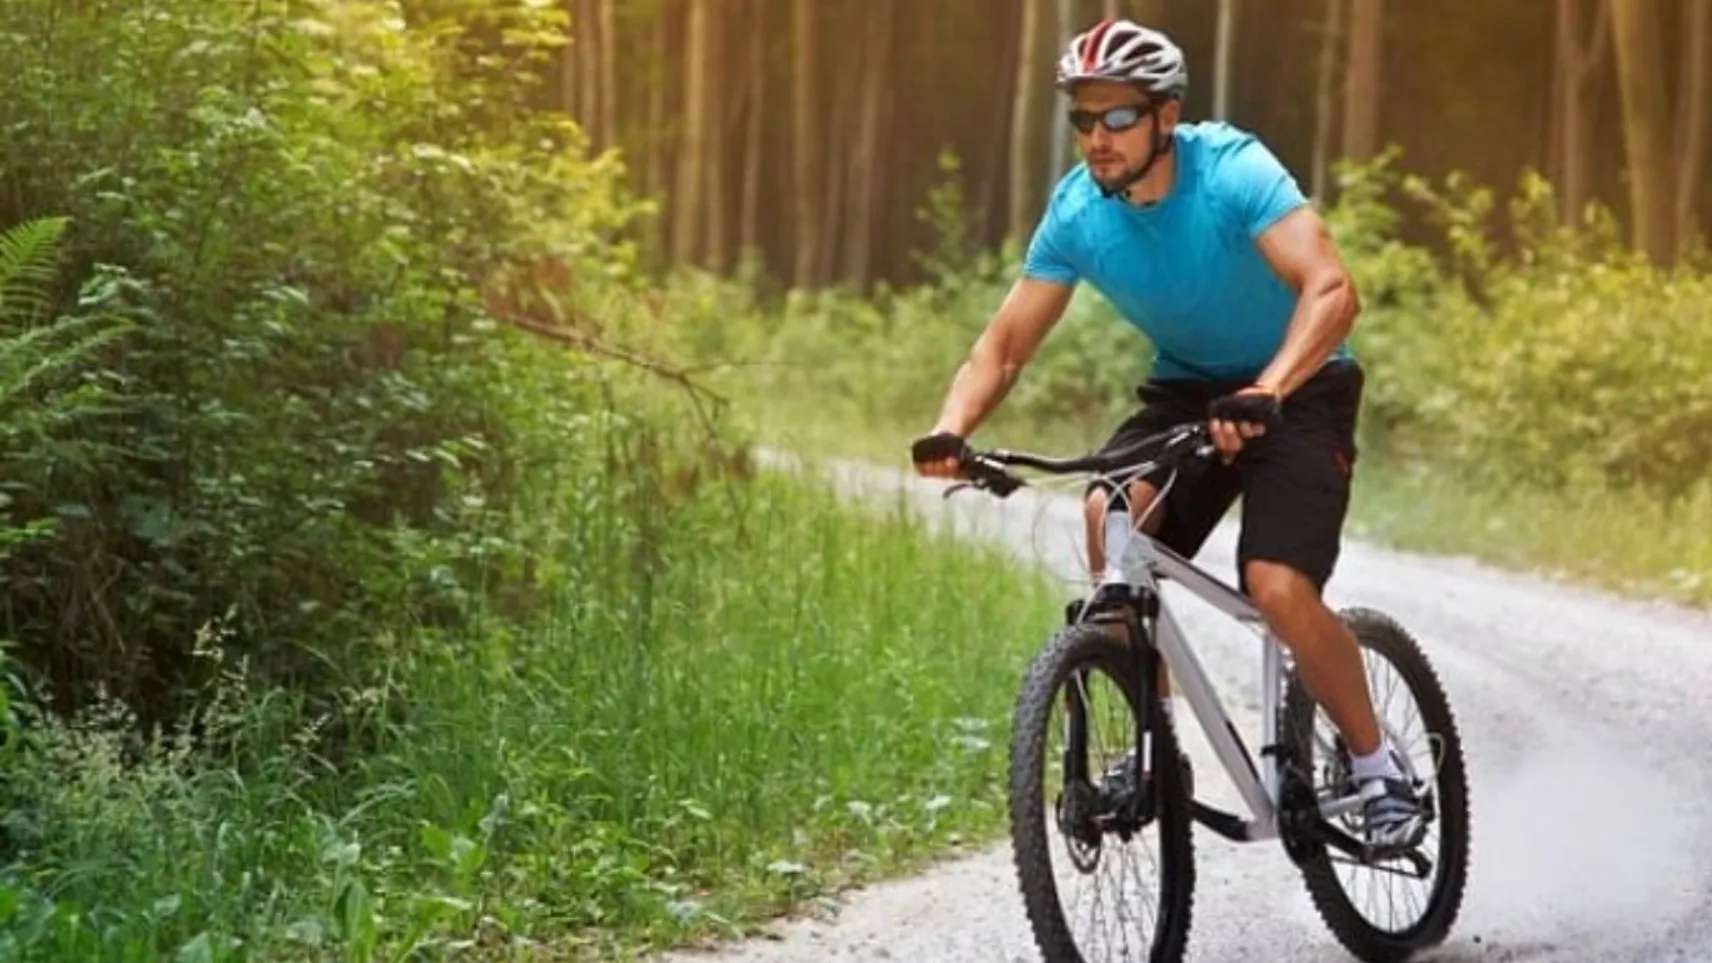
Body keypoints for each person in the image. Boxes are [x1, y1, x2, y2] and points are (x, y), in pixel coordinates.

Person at [908, 19, 1422, 850]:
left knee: (1278, 586)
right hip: (1190, 387)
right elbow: (1003, 346)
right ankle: (1155, 750)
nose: (1097, 139)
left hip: (1303, 382)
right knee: (1109, 518)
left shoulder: (1232, 173)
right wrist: (950, 428)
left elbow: (1331, 291)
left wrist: (1267, 388)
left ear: (1166, 116)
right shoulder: (1077, 212)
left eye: (1118, 118)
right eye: (1084, 120)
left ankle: (1376, 767)